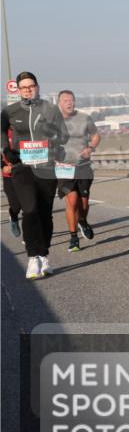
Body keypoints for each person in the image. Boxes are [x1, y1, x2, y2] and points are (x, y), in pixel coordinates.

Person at [1, 72, 69, 279]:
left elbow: (63, 134)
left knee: (44, 212)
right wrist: (6, 150)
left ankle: (44, 255)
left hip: (46, 167)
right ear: (18, 90)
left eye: (31, 86)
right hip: (22, 167)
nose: (28, 90)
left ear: (38, 87)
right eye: (24, 87)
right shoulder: (10, 111)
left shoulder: (50, 109)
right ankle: (32, 258)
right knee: (29, 210)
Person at [55, 90, 100, 252]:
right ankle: (73, 238)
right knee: (72, 201)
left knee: (83, 204)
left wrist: (91, 147)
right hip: (64, 167)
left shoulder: (84, 118)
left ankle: (82, 220)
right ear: (59, 103)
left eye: (71, 100)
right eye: (65, 100)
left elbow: (95, 135)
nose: (69, 102)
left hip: (83, 167)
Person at [2, 126, 22, 239]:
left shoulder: (26, 130)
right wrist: (4, 166)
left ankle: (30, 236)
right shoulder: (3, 133)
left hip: (25, 172)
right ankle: (13, 217)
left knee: (28, 206)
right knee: (15, 206)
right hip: (9, 175)